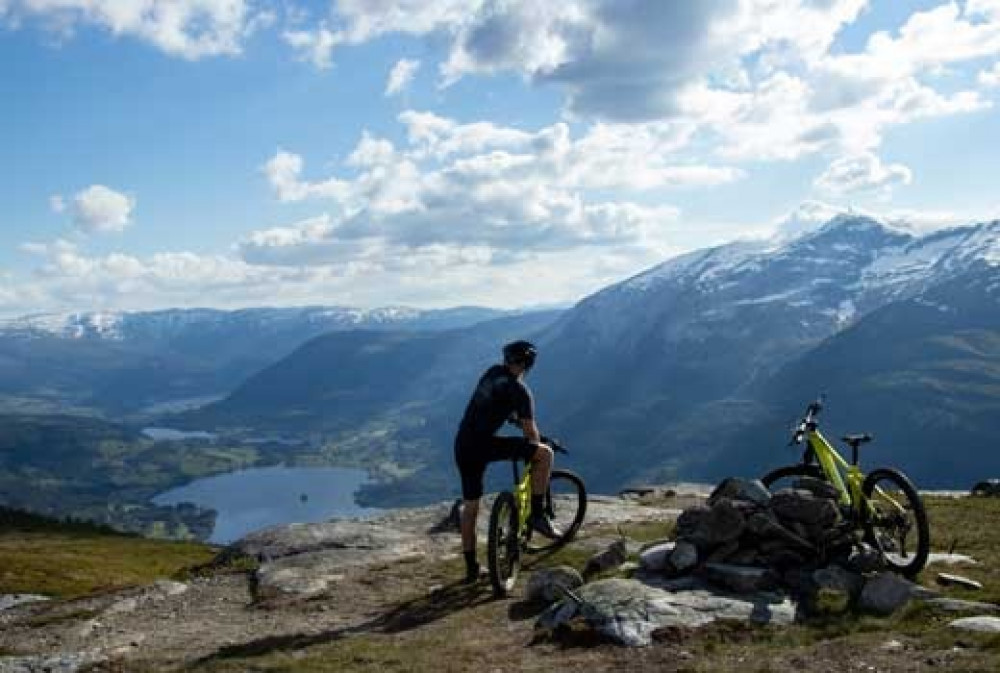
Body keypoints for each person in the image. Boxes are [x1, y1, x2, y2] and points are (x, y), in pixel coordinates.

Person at [453, 340, 561, 584]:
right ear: (528, 364)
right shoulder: (521, 391)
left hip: (463, 445)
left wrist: (513, 421)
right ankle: (537, 513)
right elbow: (530, 431)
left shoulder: (491, 374)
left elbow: (492, 405)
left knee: (470, 509)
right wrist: (537, 443)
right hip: (485, 445)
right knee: (545, 454)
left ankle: (471, 567)